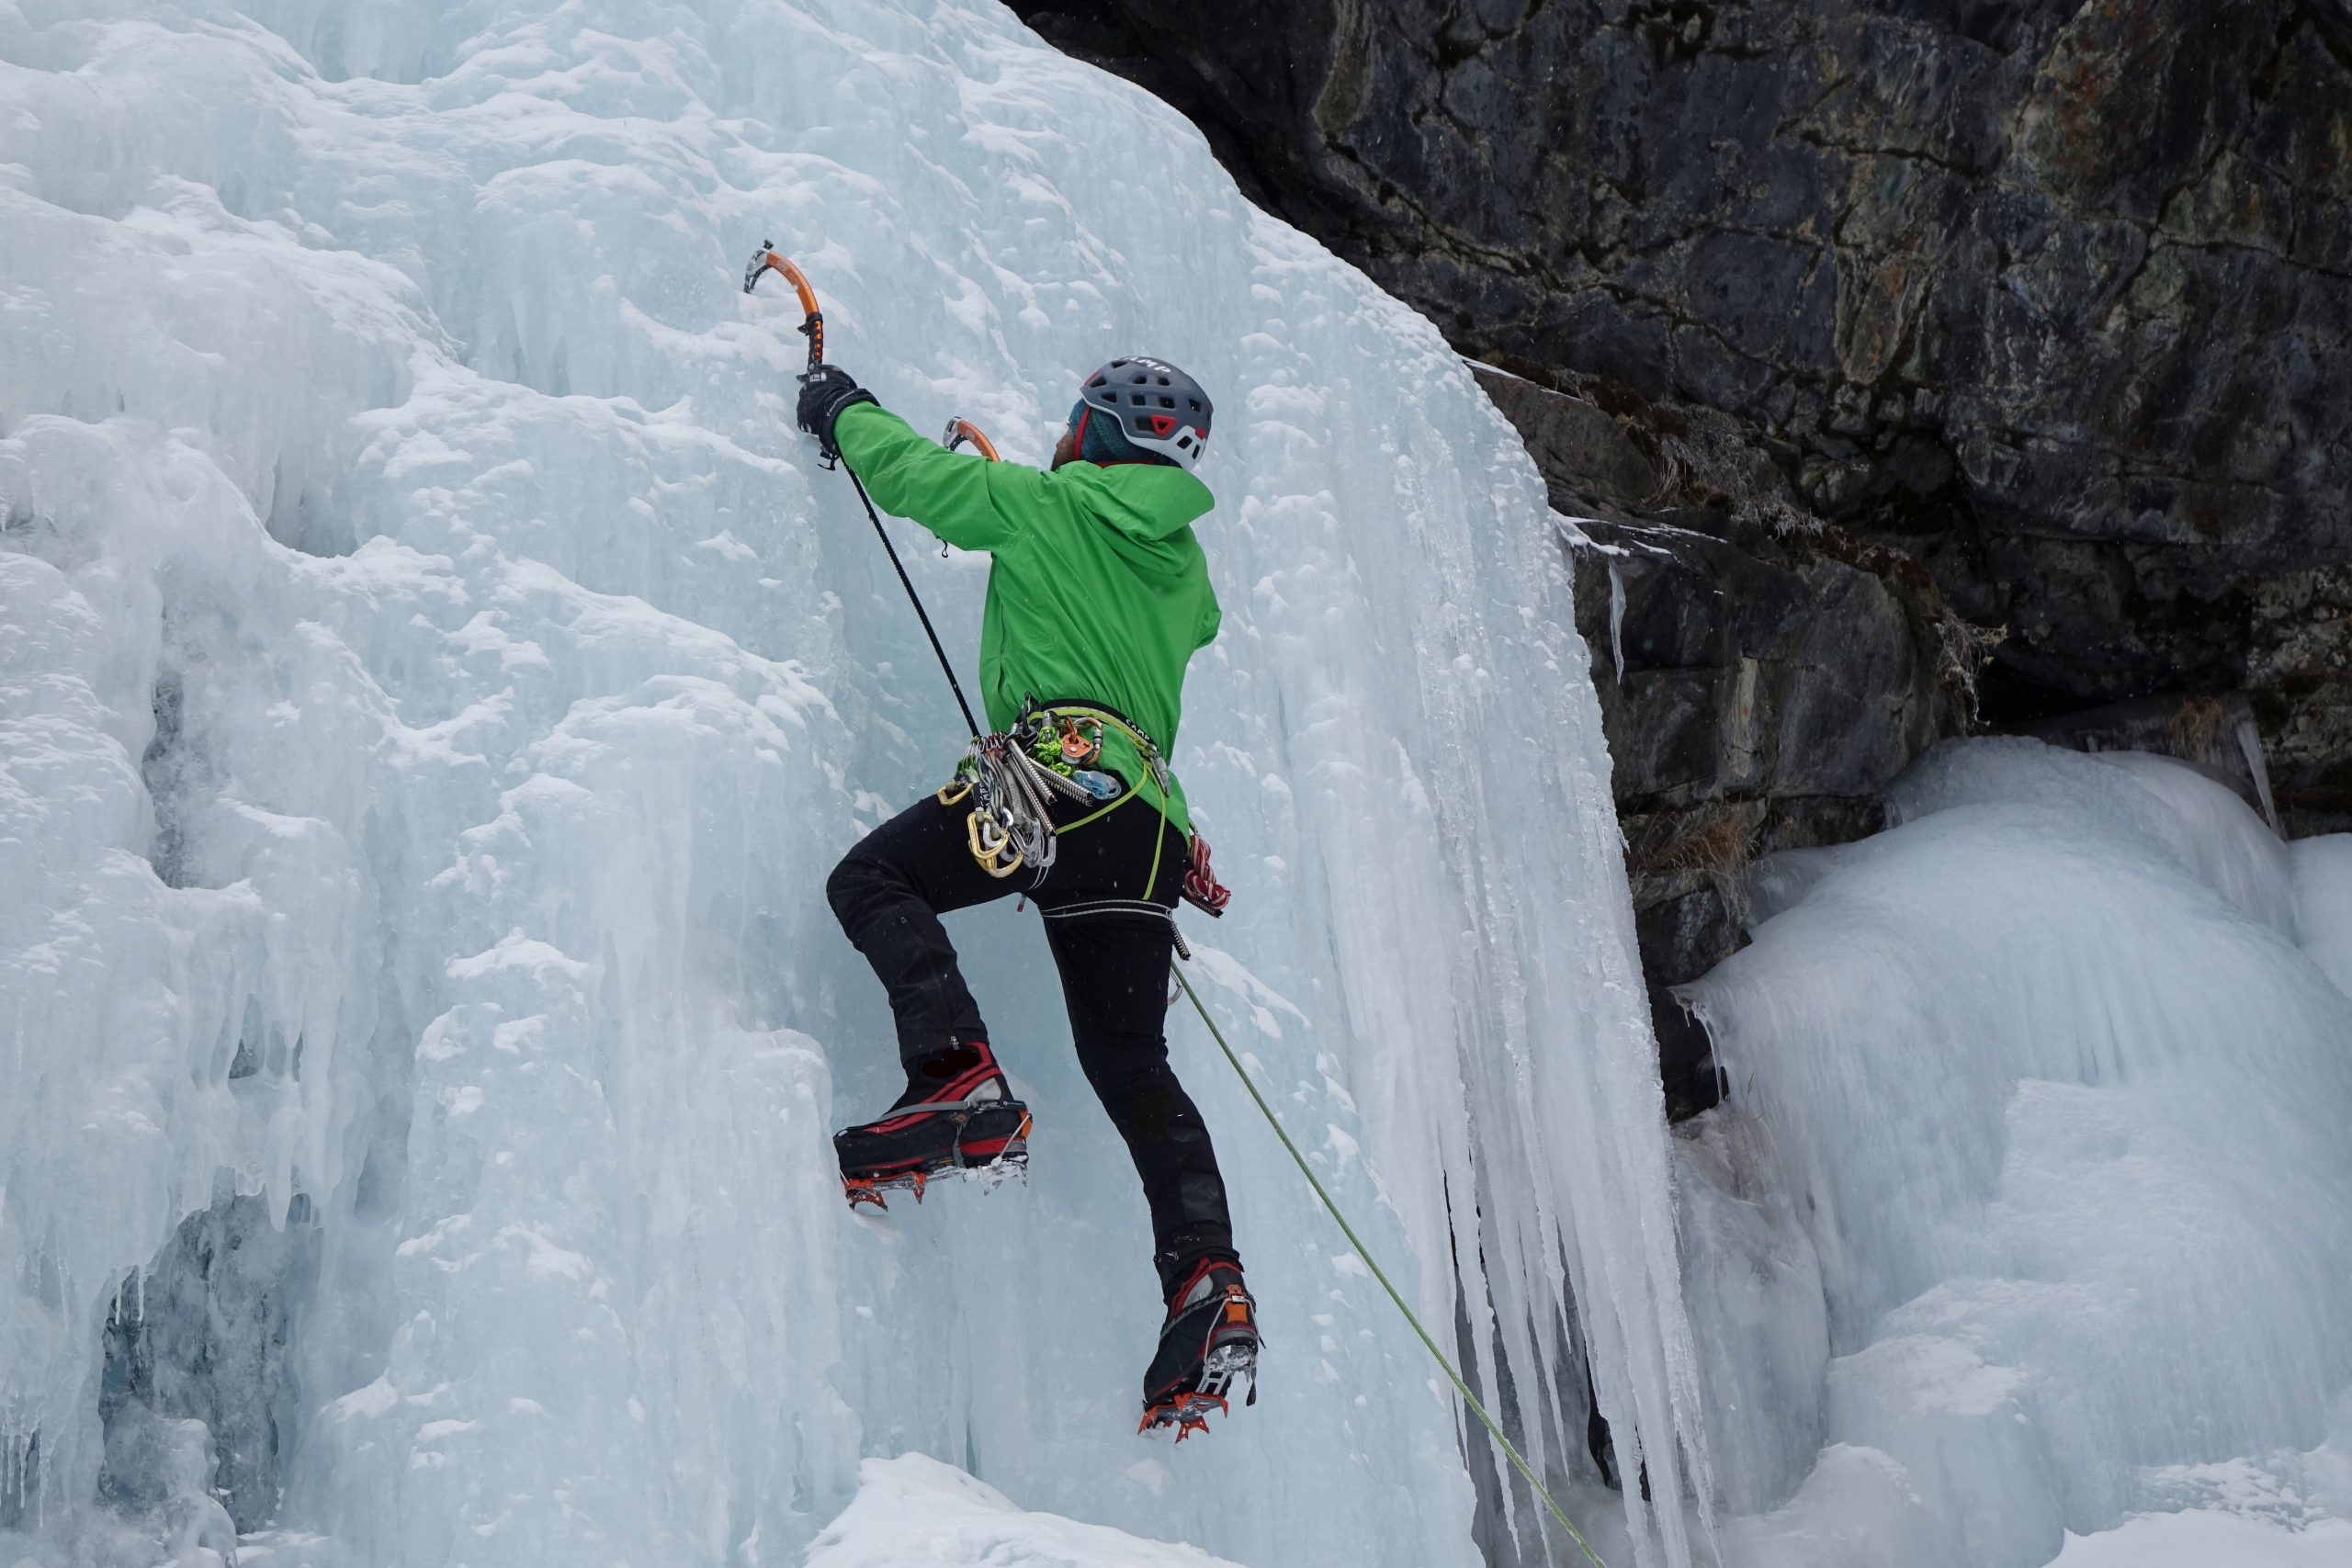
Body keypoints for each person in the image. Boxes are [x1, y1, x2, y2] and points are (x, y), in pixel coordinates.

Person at [795, 355, 1258, 1433]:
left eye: (1070, 427)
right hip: (1147, 827)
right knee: (1133, 1062)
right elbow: (1159, 617)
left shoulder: (1039, 504)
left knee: (872, 877)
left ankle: (956, 1075)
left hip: (1058, 785)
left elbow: (913, 479)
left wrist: (843, 410)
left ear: (1091, 434)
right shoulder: (1184, 573)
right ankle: (1207, 1287)